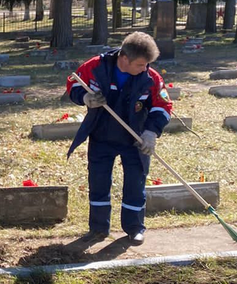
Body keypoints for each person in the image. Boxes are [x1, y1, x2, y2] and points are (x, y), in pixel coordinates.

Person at [66, 32, 172, 245]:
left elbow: (163, 106)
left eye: (147, 64)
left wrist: (151, 132)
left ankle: (134, 228)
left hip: (135, 139)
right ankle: (98, 228)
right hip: (101, 136)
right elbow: (73, 84)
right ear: (124, 58)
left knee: (135, 182)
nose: (145, 69)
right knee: (98, 181)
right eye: (141, 64)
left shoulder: (151, 78)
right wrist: (85, 97)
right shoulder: (96, 67)